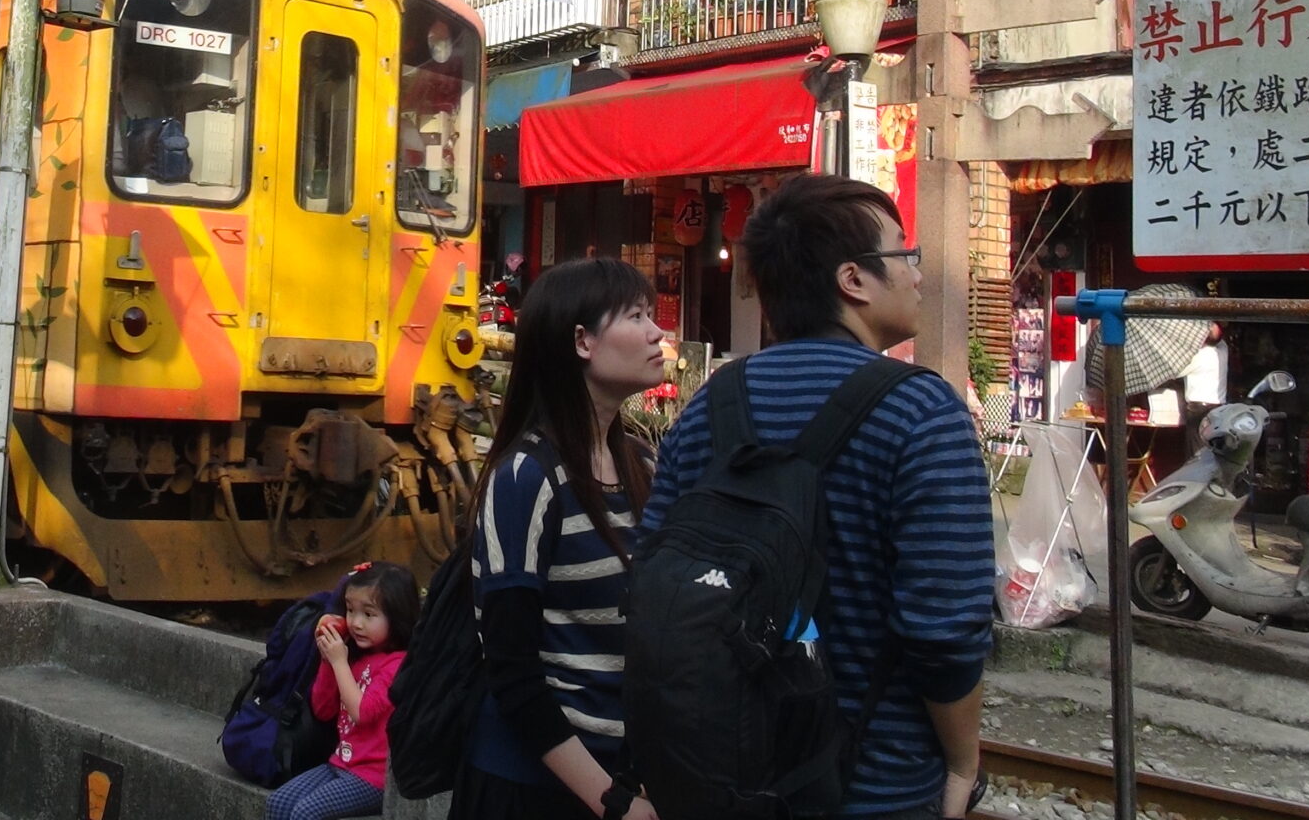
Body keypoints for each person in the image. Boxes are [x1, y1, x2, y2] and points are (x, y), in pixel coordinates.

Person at [641, 174, 992, 820]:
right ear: (853, 280)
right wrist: (964, 762)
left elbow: (649, 577)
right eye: (905, 253)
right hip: (874, 787)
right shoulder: (923, 413)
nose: (918, 273)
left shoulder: (709, 407)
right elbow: (945, 631)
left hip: (721, 781)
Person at [457, 257, 667, 820]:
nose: (657, 332)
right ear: (582, 341)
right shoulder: (527, 477)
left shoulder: (647, 466)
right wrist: (609, 801)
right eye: (636, 316)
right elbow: (512, 669)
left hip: (625, 779)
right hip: (534, 789)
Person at [268, 560, 420, 820]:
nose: (356, 623)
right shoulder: (356, 658)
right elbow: (323, 709)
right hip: (341, 761)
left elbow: (362, 713)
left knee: (306, 813)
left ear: (396, 617)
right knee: (278, 803)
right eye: (350, 610)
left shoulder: (397, 664)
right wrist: (328, 662)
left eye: (368, 614)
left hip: (373, 777)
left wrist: (339, 662)